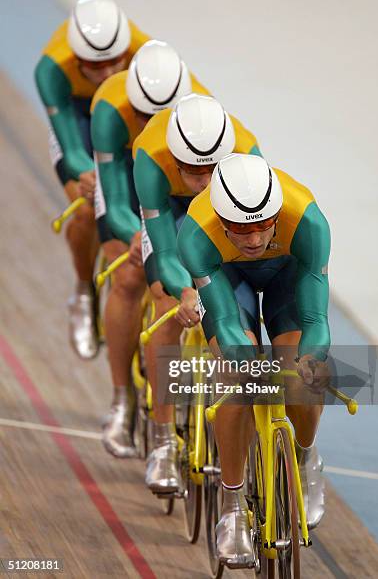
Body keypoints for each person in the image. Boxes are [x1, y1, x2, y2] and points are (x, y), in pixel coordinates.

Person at [177, 153, 330, 568]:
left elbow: (317, 318)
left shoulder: (308, 219)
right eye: (242, 230)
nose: (254, 240)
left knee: (304, 374)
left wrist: (312, 357)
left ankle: (306, 457)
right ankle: (231, 504)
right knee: (236, 379)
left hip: (287, 275)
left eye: (264, 226)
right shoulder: (196, 232)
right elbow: (224, 319)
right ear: (223, 221)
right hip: (231, 282)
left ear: (277, 212)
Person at [133, 94, 262, 493]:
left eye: (213, 168)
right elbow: (166, 250)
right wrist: (185, 290)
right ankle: (163, 438)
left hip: (222, 217)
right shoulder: (151, 157)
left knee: (241, 334)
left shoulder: (246, 149)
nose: (205, 181)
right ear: (175, 160)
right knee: (168, 302)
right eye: (194, 171)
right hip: (170, 212)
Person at [90, 40, 208, 457]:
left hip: (175, 178)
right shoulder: (109, 111)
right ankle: (121, 399)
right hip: (129, 175)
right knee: (127, 275)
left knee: (179, 282)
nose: (149, 123)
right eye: (142, 114)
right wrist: (132, 232)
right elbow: (117, 198)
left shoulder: (201, 113)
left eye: (160, 116)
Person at [35, 0, 149, 359]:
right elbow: (70, 145)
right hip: (79, 117)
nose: (106, 76)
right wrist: (85, 172)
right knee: (87, 206)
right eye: (93, 67)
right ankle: (84, 288)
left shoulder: (143, 51)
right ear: (76, 57)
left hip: (122, 114)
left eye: (115, 63)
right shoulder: (53, 67)